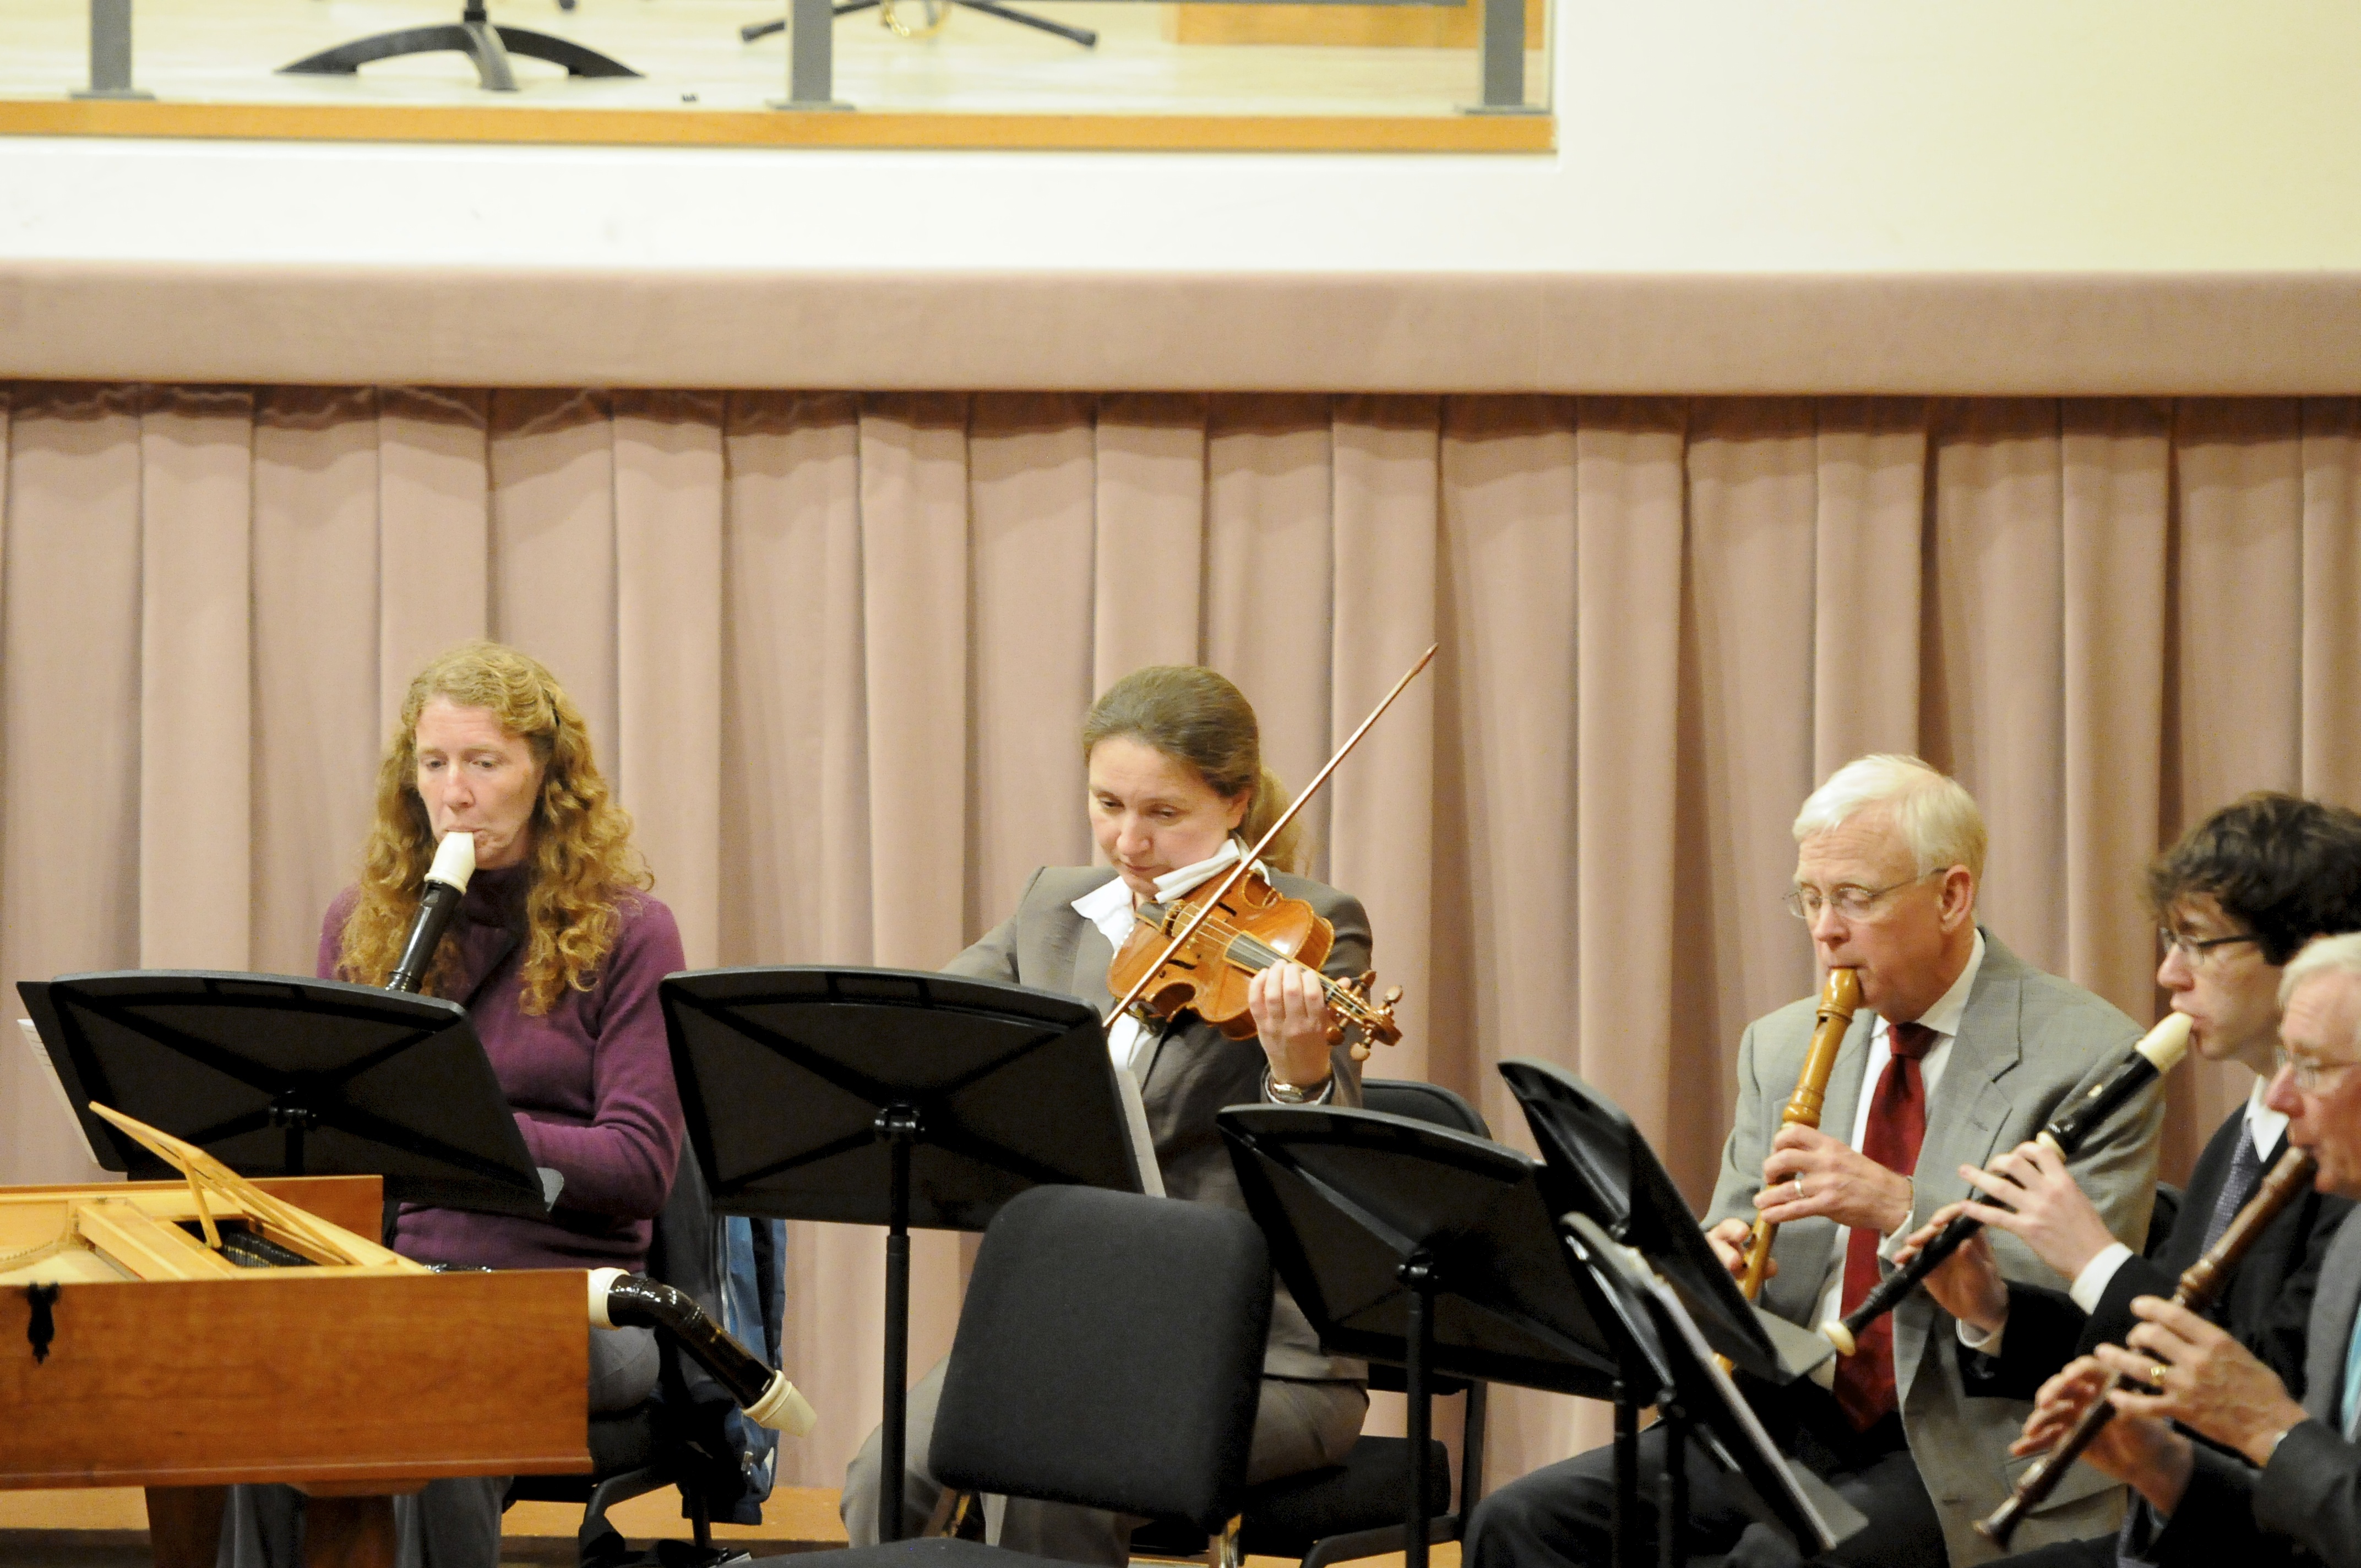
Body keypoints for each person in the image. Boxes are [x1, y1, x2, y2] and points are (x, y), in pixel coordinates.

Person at [1464, 754, 2163, 1568]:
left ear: (1951, 896)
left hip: (1964, 1440)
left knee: (1773, 1563)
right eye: (1810, 897)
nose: (1825, 929)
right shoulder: (1780, 1043)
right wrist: (1713, 1269)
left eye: (1854, 898)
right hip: (1779, 1417)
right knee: (1518, 1522)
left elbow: (2084, 1301)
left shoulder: (2090, 1054)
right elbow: (1735, 1230)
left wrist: (1900, 1205)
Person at [839, 665, 1372, 1565]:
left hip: (1256, 1354)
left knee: (1054, 1472)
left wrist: (1299, 1069)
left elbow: (1331, 1163)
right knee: (885, 1474)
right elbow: (931, 1025)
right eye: (1108, 803)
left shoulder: (1310, 925)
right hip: (1062, 1321)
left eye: (1164, 812)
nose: (1130, 840)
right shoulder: (1056, 908)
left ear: (1236, 800)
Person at [224, 641, 688, 1568]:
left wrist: (469, 1134)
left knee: (444, 1377)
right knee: (261, 1375)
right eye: (434, 764)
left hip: (575, 1299)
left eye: (485, 762)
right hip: (397, 1284)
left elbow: (640, 1168)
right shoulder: (364, 924)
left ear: (548, 777)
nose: (456, 794)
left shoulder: (629, 932)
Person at [1902, 794, 2361, 1568]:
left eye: (2198, 943)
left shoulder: (2342, 1169)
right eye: (2169, 940)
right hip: (2209, 1521)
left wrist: (2094, 1260)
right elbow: (2168, 1357)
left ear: (2309, 954)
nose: (2168, 973)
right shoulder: (2242, 1132)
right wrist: (1996, 1311)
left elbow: (2262, 1386)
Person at [2008, 932, 2361, 1568]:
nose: (2279, 1097)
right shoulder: (2352, 1248)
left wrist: (2268, 1427)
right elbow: (2302, 1532)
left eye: (2311, 1066)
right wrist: (2164, 1466)